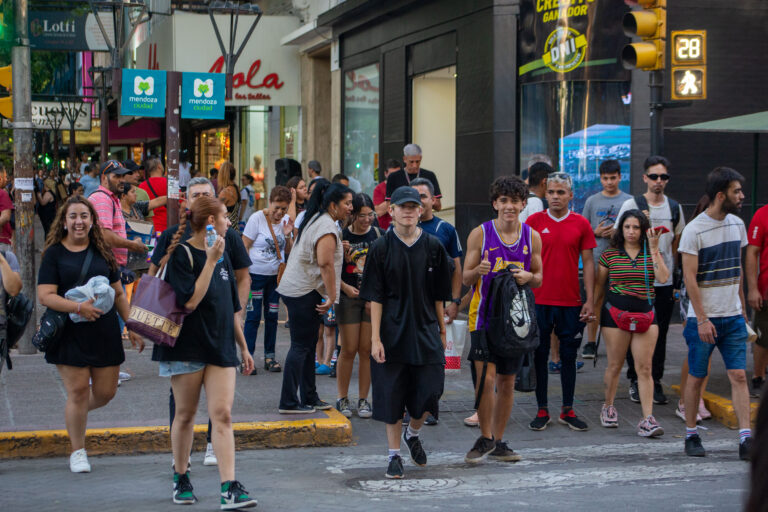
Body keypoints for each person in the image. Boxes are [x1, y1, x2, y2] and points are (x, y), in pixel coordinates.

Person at [151, 196, 257, 509]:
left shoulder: (222, 252)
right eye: (225, 216)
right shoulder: (183, 255)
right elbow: (190, 302)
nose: (229, 222)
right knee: (184, 415)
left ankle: (229, 487)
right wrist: (210, 261)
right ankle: (180, 477)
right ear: (210, 221)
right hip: (187, 345)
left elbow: (230, 305)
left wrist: (243, 345)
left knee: (222, 414)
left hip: (221, 343)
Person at [37, 196, 143, 473]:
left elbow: (119, 292)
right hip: (69, 332)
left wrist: (131, 325)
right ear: (64, 221)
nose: (79, 221)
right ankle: (77, 450)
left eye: (84, 216)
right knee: (78, 391)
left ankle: (75, 413)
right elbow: (45, 295)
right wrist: (77, 307)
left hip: (104, 331)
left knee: (106, 392)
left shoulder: (102, 252)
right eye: (73, 216)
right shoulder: (54, 254)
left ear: (92, 220)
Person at [359, 186, 453, 479]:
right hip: (391, 332)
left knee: (430, 390)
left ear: (421, 210)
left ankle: (412, 434)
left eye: (414, 206)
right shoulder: (380, 248)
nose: (409, 211)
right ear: (392, 210)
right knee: (391, 394)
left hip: (425, 329)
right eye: (403, 207)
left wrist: (441, 329)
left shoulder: (435, 246)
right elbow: (374, 297)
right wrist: (375, 338)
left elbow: (439, 295)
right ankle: (393, 455)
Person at [463, 176, 542, 463]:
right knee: (486, 379)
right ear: (495, 203)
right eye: (503, 201)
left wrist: (528, 277)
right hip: (483, 318)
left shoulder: (531, 236)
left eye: (515, 201)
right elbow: (465, 277)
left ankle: (497, 440)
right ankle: (484, 437)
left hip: (515, 321)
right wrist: (478, 271)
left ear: (523, 204)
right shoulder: (480, 234)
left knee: (508, 382)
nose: (509, 206)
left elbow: (539, 278)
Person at [680, 167, 751, 460]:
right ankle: (691, 434)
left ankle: (746, 439)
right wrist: (703, 318)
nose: (742, 196)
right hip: (703, 319)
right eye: (737, 191)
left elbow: (738, 272)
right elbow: (689, 278)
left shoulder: (737, 224)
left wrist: (743, 311)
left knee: (739, 375)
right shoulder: (694, 230)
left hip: (733, 317)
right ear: (721, 195)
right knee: (697, 377)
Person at [525, 172, 596, 431]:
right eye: (551, 192)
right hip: (538, 301)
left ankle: (568, 409)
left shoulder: (581, 224)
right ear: (545, 193)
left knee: (568, 357)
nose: (555, 197)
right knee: (540, 356)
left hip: (570, 302)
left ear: (570, 196)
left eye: (561, 192)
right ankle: (542, 409)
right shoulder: (532, 222)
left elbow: (589, 263)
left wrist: (589, 299)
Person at [276, 181, 352, 414]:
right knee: (301, 346)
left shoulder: (319, 220)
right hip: (303, 292)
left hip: (300, 290)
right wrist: (332, 295)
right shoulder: (326, 226)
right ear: (333, 205)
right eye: (347, 203)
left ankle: (309, 396)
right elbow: (325, 263)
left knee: (307, 346)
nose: (351, 207)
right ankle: (288, 402)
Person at [615, 156, 685, 405]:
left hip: (662, 282)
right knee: (633, 329)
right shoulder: (631, 204)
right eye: (654, 176)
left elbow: (677, 245)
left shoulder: (674, 208)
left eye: (663, 177)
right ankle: (635, 379)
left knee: (661, 333)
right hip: (635, 281)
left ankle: (654, 380)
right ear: (645, 178)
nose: (658, 182)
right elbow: (620, 238)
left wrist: (675, 278)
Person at [595, 210, 669, 437]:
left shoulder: (651, 252)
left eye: (636, 227)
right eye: (627, 227)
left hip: (646, 313)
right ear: (621, 228)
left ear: (643, 229)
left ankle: (648, 419)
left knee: (644, 368)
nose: (631, 232)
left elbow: (663, 278)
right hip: (615, 313)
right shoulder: (610, 254)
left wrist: (654, 249)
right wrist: (592, 313)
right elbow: (600, 287)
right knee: (615, 365)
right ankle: (608, 406)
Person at [335, 193, 382, 418]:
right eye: (362, 215)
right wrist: (344, 286)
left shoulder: (378, 235)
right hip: (349, 296)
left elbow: (383, 270)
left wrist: (375, 297)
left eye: (370, 214)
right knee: (349, 349)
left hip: (372, 299)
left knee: (367, 350)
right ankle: (342, 398)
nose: (367, 219)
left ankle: (364, 400)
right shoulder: (341, 236)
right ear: (353, 214)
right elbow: (330, 271)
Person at [581, 160, 632, 358]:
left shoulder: (629, 201)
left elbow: (636, 228)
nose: (609, 182)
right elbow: (583, 231)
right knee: (595, 299)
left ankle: (622, 342)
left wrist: (618, 233)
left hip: (622, 259)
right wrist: (596, 231)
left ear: (620, 177)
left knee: (623, 300)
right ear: (600, 178)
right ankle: (591, 342)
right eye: (605, 178)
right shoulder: (592, 201)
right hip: (596, 259)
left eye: (613, 178)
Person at [242, 185, 294, 373]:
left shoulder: (285, 222)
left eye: (284, 208)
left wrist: (288, 235)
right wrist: (245, 274)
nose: (279, 212)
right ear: (269, 203)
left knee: (272, 316)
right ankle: (247, 359)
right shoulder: (257, 218)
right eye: (277, 207)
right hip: (255, 277)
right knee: (254, 316)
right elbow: (244, 244)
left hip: (275, 278)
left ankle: (270, 357)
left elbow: (287, 251)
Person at [675, 195, 714, 422]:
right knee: (696, 349)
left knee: (707, 351)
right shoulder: (694, 230)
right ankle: (684, 401)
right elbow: (687, 272)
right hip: (692, 295)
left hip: (717, 296)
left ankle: (697, 397)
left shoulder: (727, 227)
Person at [88, 160, 148, 269]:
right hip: (106, 267)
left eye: (122, 176)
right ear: (104, 178)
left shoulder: (112, 199)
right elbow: (105, 236)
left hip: (112, 267)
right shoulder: (102, 199)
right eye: (116, 176)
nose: (121, 180)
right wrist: (132, 245)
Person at [748, 202, 768, 398]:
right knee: (763, 337)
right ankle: (758, 378)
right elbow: (752, 252)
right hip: (766, 288)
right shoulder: (762, 215)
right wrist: (753, 289)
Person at [385, 144, 442, 211]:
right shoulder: (393, 177)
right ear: (405, 159)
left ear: (421, 158)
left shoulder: (430, 175)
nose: (415, 165)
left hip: (424, 218)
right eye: (411, 162)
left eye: (417, 161)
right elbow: (389, 206)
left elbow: (438, 207)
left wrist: (423, 199)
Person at [139, 158, 169, 234]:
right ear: (159, 166)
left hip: (151, 227)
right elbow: (180, 201)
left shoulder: (142, 186)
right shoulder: (169, 183)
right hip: (168, 225)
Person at [373, 159, 401, 230]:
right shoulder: (379, 188)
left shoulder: (405, 187)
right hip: (385, 230)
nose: (395, 177)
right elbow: (378, 212)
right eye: (392, 175)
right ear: (385, 174)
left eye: (398, 174)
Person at [217, 162, 242, 232]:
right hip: (236, 228)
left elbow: (215, 211)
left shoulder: (225, 192)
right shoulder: (237, 188)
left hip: (226, 230)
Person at [0, 166, 14, 251]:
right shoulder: (2, 194)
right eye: (5, 177)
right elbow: (6, 216)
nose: (6, 180)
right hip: (2, 242)